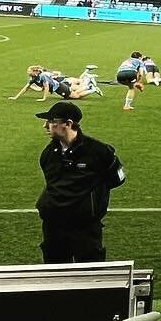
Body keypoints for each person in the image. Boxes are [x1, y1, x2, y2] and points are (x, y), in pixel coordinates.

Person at [34, 100, 126, 263]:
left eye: (51, 122)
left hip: (85, 227)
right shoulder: (48, 154)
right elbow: (51, 185)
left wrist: (90, 200)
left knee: (90, 274)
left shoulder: (99, 152)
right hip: (54, 225)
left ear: (68, 124)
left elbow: (117, 179)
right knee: (55, 275)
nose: (45, 126)